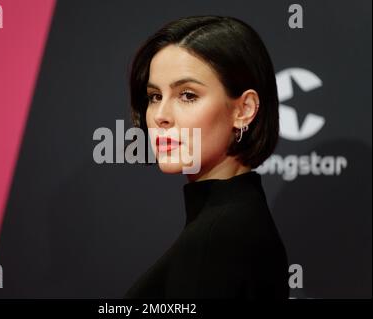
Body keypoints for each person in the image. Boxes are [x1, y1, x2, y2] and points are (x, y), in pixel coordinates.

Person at [124, 15, 289, 299]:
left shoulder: (219, 238)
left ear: (244, 109)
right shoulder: (235, 222)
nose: (160, 116)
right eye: (154, 96)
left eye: (187, 95)